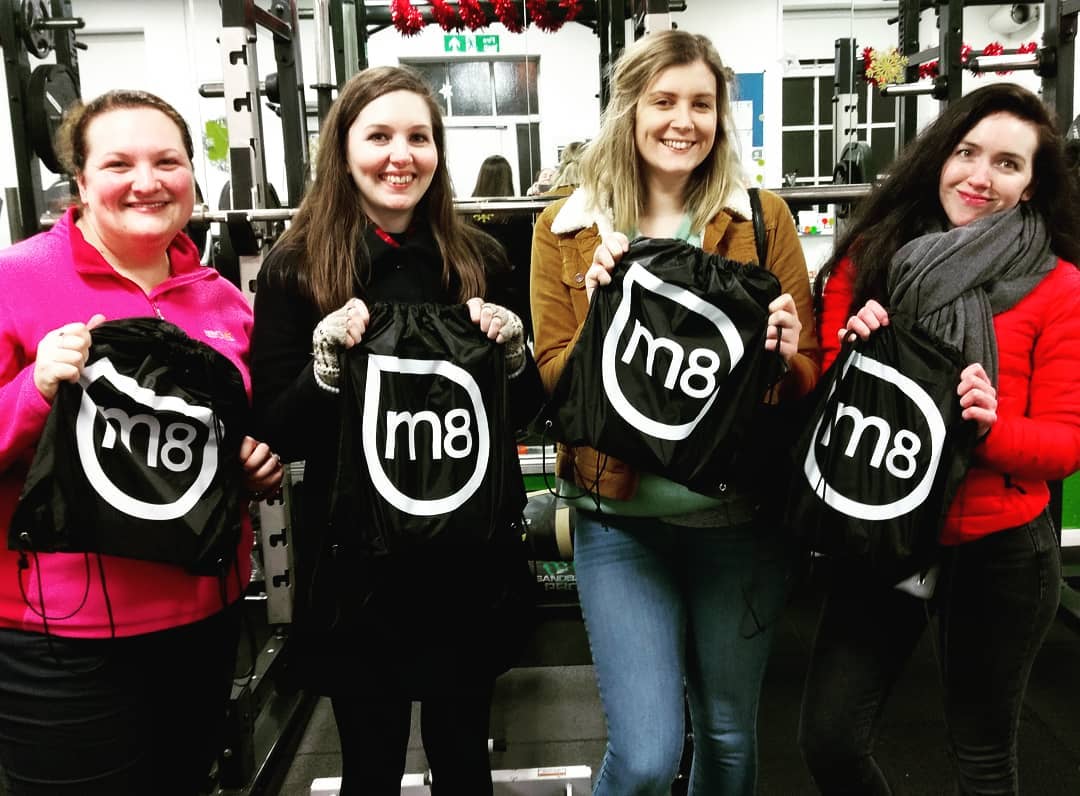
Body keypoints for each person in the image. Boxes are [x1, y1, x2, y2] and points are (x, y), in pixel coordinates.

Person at [530, 30, 820, 795]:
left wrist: (786, 356)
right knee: (649, 753)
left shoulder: (761, 219)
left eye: (701, 103)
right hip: (618, 519)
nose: (682, 120)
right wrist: (602, 315)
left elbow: (807, 375)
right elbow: (557, 383)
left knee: (727, 736)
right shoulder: (565, 230)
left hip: (740, 520)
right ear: (628, 110)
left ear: (722, 116)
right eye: (663, 101)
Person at [250, 65, 540, 795]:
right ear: (343, 149)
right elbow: (275, 431)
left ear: (439, 151)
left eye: (418, 136)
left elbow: (531, 416)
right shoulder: (295, 268)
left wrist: (513, 359)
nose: (399, 155)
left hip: (463, 561)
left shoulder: (480, 259)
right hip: (357, 571)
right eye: (378, 135)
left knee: (465, 763)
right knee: (371, 768)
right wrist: (321, 370)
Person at [799, 82, 1080, 794]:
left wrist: (986, 429)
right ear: (940, 157)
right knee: (830, 739)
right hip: (884, 528)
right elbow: (830, 412)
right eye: (967, 152)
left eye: (1008, 164)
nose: (980, 177)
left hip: (1001, 549)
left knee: (984, 760)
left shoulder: (1059, 286)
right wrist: (856, 363)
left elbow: (1062, 447)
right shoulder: (874, 257)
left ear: (1032, 185)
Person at [0, 89, 283, 794]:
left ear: (191, 174)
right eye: (119, 163)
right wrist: (34, 389)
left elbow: (217, 441)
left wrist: (250, 463)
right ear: (81, 181)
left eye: (168, 161)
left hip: (202, 621)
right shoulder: (17, 279)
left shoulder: (220, 298)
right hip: (62, 637)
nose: (147, 181)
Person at [470, 154, 535, 341]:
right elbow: (527, 267)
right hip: (512, 298)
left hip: (478, 297)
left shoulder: (466, 216)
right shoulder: (518, 217)